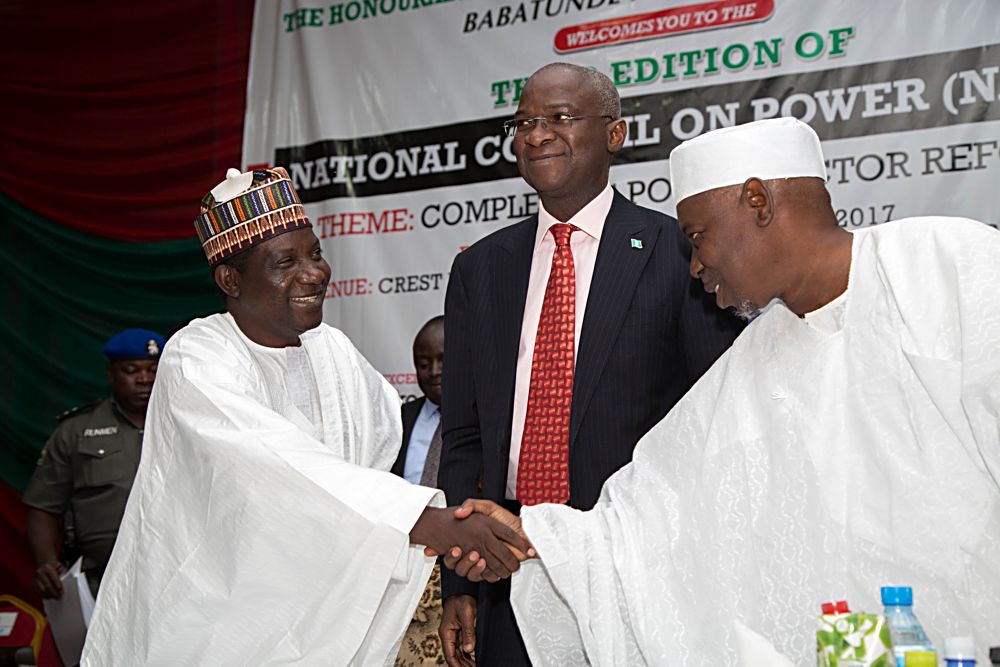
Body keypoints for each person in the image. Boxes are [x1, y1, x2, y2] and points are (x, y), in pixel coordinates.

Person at [452, 117, 1000, 665]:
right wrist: (533, 536)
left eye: (697, 237)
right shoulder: (755, 357)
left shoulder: (949, 265)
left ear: (757, 201)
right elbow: (648, 511)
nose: (695, 267)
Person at [81, 167, 532, 666]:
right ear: (231, 279)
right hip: (217, 624)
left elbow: (376, 462)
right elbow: (271, 468)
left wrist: (455, 546)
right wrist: (428, 522)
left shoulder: (332, 350)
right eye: (286, 262)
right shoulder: (198, 357)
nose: (314, 272)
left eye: (315, 253)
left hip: (328, 614)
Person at [437, 62, 742, 666]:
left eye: (560, 118)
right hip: (507, 561)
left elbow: (718, 421)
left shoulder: (679, 251)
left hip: (639, 559)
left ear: (615, 134)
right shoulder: (481, 269)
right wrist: (461, 581)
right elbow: (466, 435)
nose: (537, 135)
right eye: (524, 121)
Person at [23, 328, 164, 599]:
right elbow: (42, 506)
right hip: (99, 583)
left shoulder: (190, 424)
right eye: (132, 370)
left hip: (178, 579)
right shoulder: (77, 430)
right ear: (111, 373)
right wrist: (47, 563)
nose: (145, 379)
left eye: (154, 370)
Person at [393, 315, 448, 666]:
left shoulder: (488, 421)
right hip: (404, 566)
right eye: (423, 363)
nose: (434, 371)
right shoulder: (399, 418)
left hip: (457, 569)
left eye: (444, 359)